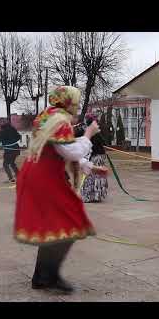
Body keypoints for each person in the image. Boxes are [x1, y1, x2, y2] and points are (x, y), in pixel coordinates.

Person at [14, 86, 105, 293]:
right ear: (68, 101)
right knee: (70, 222)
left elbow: (60, 150)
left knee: (55, 226)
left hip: (38, 175)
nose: (78, 105)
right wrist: (89, 134)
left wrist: (88, 166)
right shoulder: (59, 120)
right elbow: (70, 150)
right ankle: (48, 276)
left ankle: (43, 277)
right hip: (44, 179)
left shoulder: (50, 115)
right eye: (76, 101)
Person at [76, 113, 109, 203]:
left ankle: (92, 195)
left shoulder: (89, 131)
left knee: (93, 175)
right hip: (97, 156)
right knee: (95, 175)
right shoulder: (93, 131)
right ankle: (95, 195)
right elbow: (104, 142)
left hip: (96, 156)